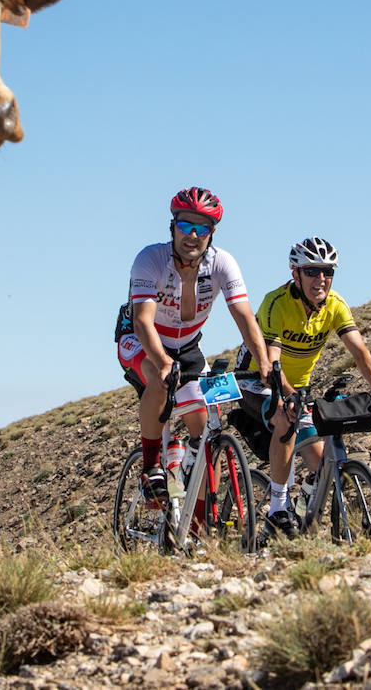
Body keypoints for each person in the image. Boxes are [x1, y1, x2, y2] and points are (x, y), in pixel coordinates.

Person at [118, 187, 273, 524]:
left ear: (212, 233)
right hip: (142, 341)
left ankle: (198, 527)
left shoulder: (222, 263)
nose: (192, 235)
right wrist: (162, 362)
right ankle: (150, 468)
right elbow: (144, 321)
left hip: (187, 347)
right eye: (185, 225)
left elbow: (245, 317)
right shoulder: (150, 259)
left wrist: (265, 364)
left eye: (201, 228)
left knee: (204, 434)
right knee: (159, 380)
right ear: (172, 226)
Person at [235, 235, 371, 539]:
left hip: (297, 387)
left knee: (319, 464)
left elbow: (359, 350)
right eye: (312, 271)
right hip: (255, 380)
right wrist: (289, 395)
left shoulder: (335, 305)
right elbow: (271, 364)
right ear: (296, 274)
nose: (321, 279)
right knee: (284, 417)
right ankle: (278, 507)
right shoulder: (276, 303)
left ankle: (300, 510)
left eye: (328, 272)